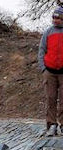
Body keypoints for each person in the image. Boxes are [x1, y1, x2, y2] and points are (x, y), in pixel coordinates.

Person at [38, 6, 63, 136]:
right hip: (50, 72)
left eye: (57, 17)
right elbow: (42, 50)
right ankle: (51, 125)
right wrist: (43, 68)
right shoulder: (48, 32)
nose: (55, 19)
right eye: (53, 17)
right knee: (50, 98)